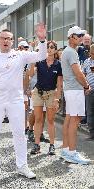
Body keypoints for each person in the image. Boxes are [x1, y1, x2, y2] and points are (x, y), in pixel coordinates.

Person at [0, 24, 47, 179]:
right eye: (3, 38)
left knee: (19, 134)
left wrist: (42, 40)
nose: (5, 41)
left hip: (15, 100)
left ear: (12, 41)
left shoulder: (20, 55)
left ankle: (22, 166)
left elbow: (41, 56)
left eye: (8, 39)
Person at [60, 26, 91, 164]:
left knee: (69, 119)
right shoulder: (71, 52)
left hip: (70, 89)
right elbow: (78, 73)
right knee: (75, 120)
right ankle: (71, 152)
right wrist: (86, 85)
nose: (81, 38)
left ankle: (67, 150)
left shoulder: (68, 51)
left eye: (81, 35)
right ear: (71, 36)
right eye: (78, 35)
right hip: (74, 90)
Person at [29, 40, 63, 155]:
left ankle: (52, 145)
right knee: (38, 119)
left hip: (51, 94)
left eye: (52, 47)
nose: (50, 49)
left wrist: (57, 99)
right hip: (38, 92)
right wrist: (34, 59)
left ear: (55, 50)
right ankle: (37, 145)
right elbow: (31, 74)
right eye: (48, 47)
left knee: (50, 120)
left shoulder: (58, 64)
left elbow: (59, 84)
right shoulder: (39, 61)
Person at [82, 44, 94, 140]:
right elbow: (83, 74)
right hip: (89, 91)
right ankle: (92, 134)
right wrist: (86, 87)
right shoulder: (86, 62)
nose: (93, 54)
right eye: (92, 53)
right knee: (89, 112)